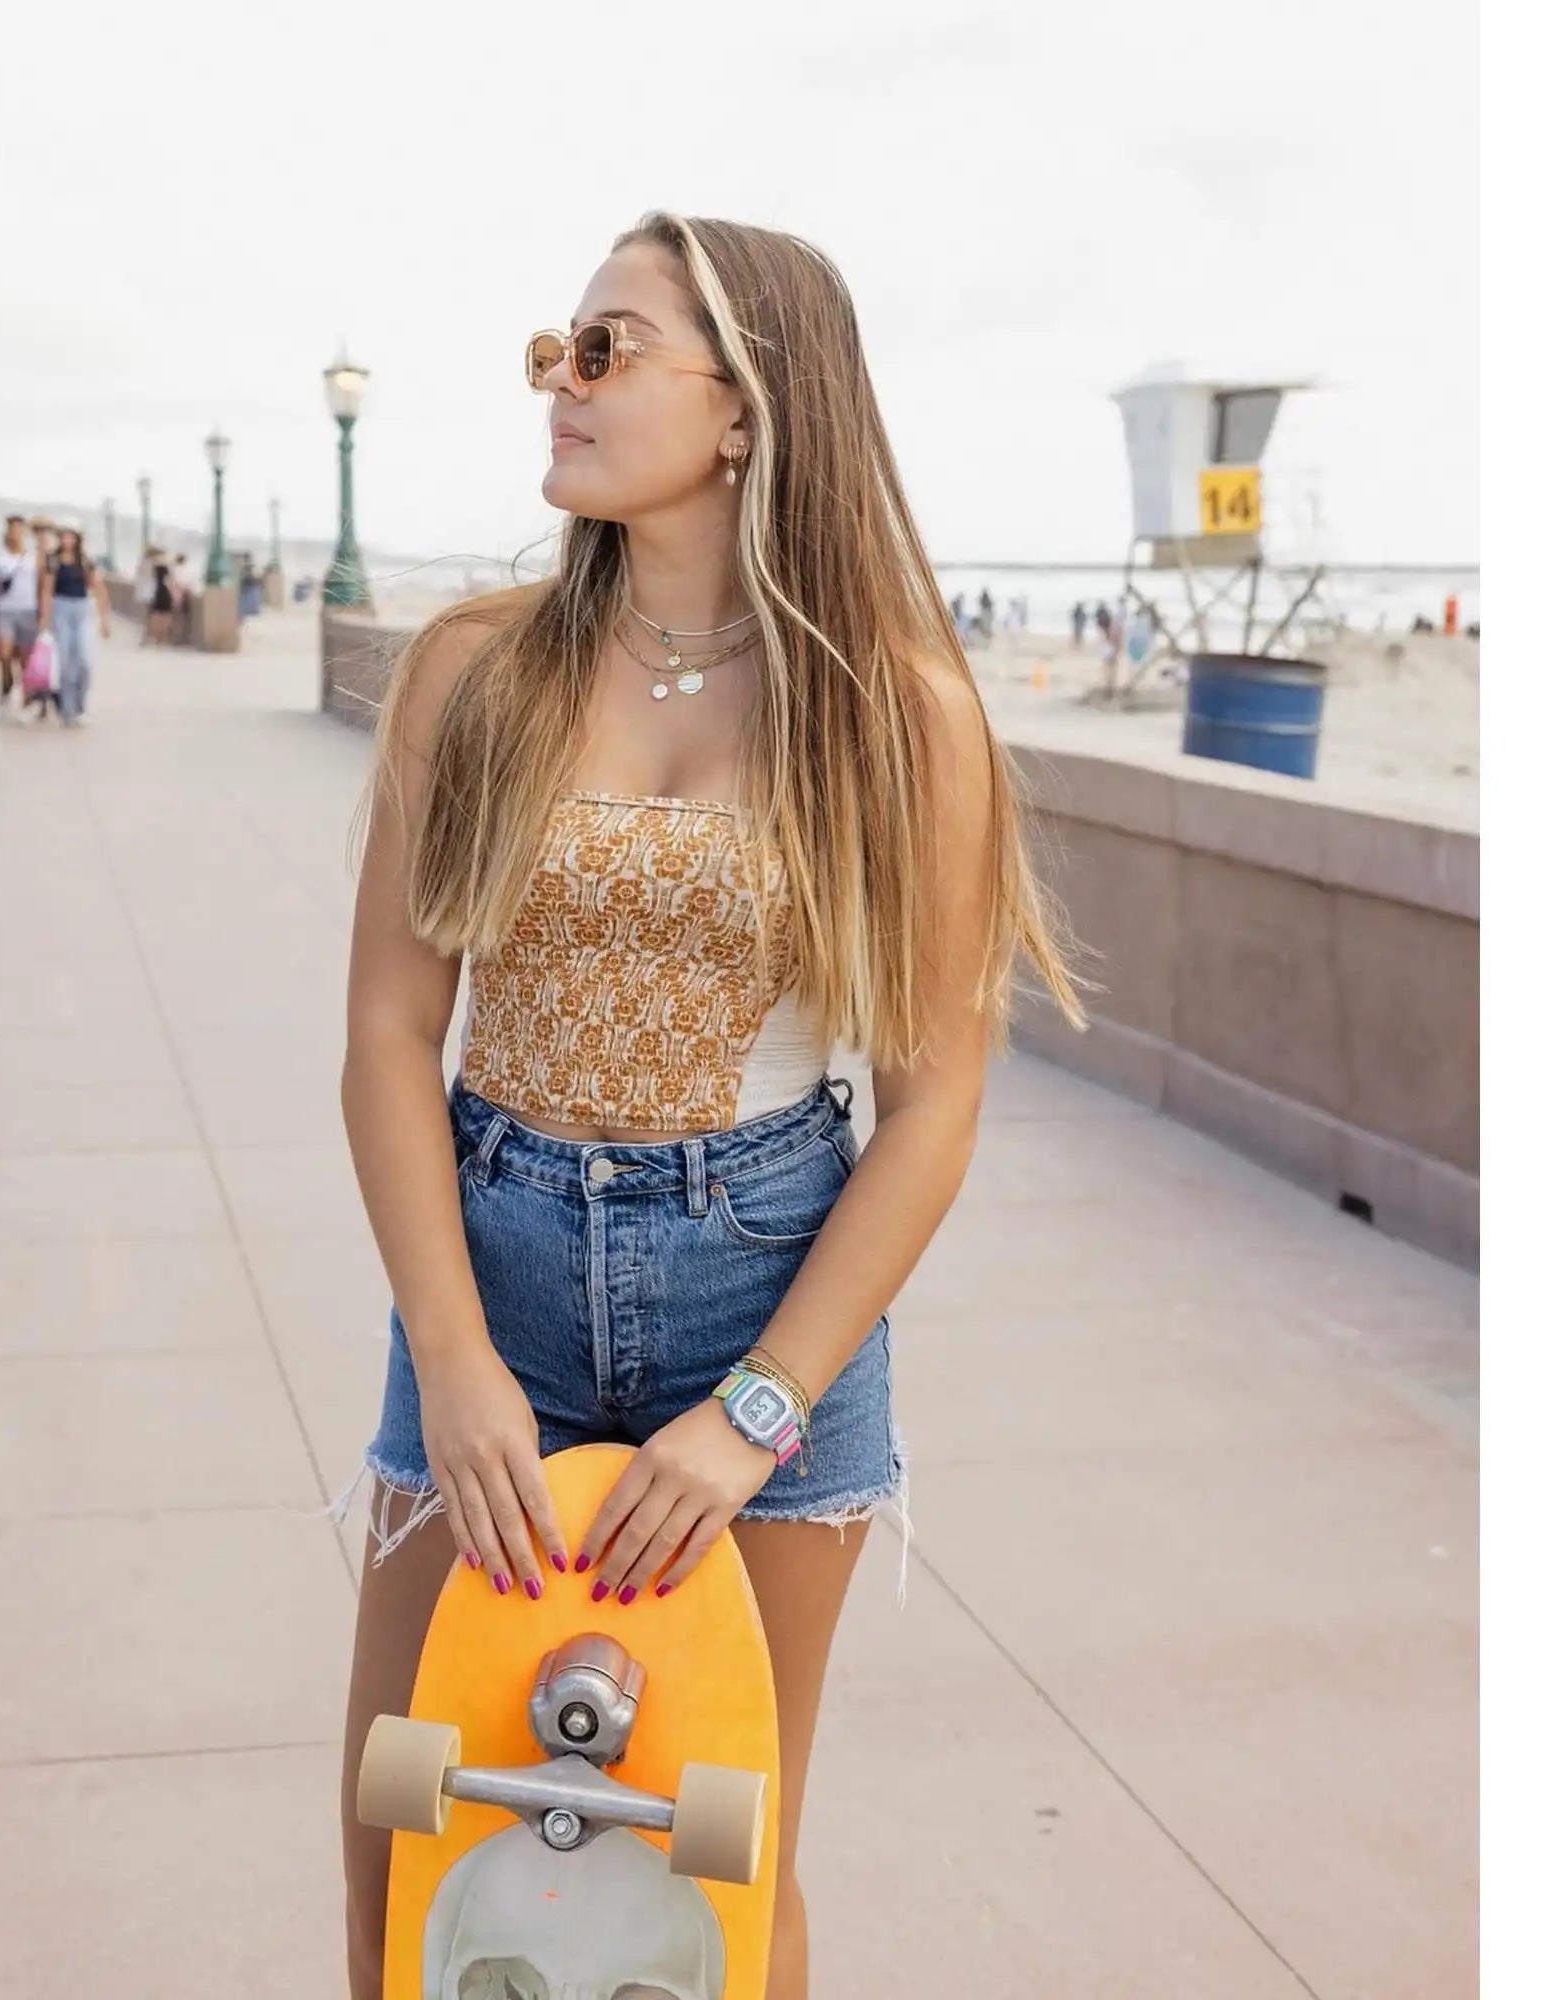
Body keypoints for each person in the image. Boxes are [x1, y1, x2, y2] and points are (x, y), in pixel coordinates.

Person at [332, 211, 1087, 2000]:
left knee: (719, 1873)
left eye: (606, 348)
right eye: (555, 347)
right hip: (491, 1275)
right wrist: (451, 1356)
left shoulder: (895, 715)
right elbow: (386, 1029)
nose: (560, 381)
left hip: (762, 1300)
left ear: (744, 407)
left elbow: (931, 1103)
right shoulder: (476, 667)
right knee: (410, 1843)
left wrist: (756, 1412)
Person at [37, 525, 112, 727]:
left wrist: (105, 619)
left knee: (84, 660)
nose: (67, 541)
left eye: (71, 537)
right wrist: (44, 620)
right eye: (64, 537)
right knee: (65, 662)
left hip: (81, 609)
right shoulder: (54, 561)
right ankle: (67, 709)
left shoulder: (85, 561)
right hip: (60, 608)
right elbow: (46, 591)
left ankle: (80, 701)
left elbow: (99, 588)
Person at [0, 514, 41, 708]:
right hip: (5, 610)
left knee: (25, 657)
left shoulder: (34, 556)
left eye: (19, 529)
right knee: (4, 654)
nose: (15, 533)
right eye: (12, 529)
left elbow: (42, 584)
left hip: (28, 609)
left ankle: (26, 695)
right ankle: (7, 683)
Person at [143, 546, 174, 646]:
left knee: (156, 615)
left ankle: (156, 638)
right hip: (164, 592)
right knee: (166, 615)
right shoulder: (165, 567)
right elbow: (169, 581)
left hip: (155, 592)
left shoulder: (152, 566)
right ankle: (163, 638)